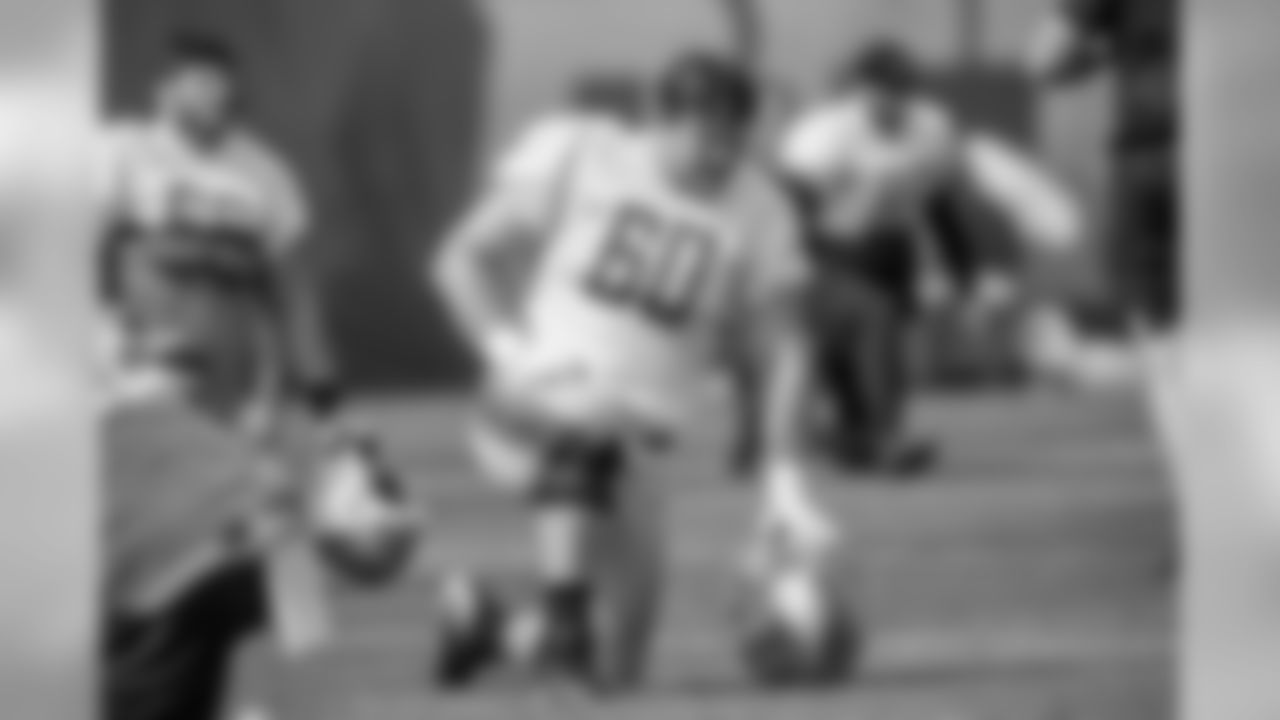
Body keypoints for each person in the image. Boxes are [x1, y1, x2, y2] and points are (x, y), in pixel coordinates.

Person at [431, 50, 835, 691]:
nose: (721, 152)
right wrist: (513, 355)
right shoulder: (587, 154)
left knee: (616, 676)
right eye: (706, 132)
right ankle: (564, 614)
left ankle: (489, 626)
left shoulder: (760, 208)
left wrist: (784, 476)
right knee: (590, 409)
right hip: (529, 405)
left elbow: (788, 346)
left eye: (734, 134)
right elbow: (459, 260)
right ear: (659, 120)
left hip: (639, 450)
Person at [101, 32, 336, 720]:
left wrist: (322, 398)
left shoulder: (262, 174)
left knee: (276, 554)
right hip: (136, 401)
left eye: (224, 84)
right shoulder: (121, 156)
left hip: (234, 410)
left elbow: (291, 292)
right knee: (156, 572)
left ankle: (276, 700)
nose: (216, 96)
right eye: (200, 83)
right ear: (165, 90)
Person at [778, 40, 1082, 473]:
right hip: (825, 251)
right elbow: (790, 212)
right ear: (858, 91)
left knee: (871, 344)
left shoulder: (931, 129)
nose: (890, 102)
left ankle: (857, 437)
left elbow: (940, 208)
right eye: (880, 90)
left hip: (889, 250)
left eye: (899, 90)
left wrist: (966, 275)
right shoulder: (822, 137)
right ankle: (885, 436)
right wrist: (795, 268)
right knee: (871, 322)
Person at [1028, 0, 1179, 337]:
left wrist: (1114, 50)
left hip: (1154, 149)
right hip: (1245, 151)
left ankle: (1173, 383)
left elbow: (1047, 57)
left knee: (1154, 304)